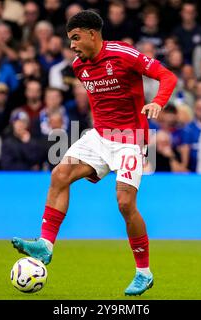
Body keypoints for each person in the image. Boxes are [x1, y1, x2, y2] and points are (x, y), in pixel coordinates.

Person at [11, 10, 177, 296]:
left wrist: (157, 103)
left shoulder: (123, 54)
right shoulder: (78, 67)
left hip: (129, 139)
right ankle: (46, 244)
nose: (72, 45)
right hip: (99, 137)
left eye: (76, 38)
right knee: (59, 174)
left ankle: (143, 273)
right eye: (69, 40)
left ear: (92, 33)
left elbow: (167, 76)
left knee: (125, 204)